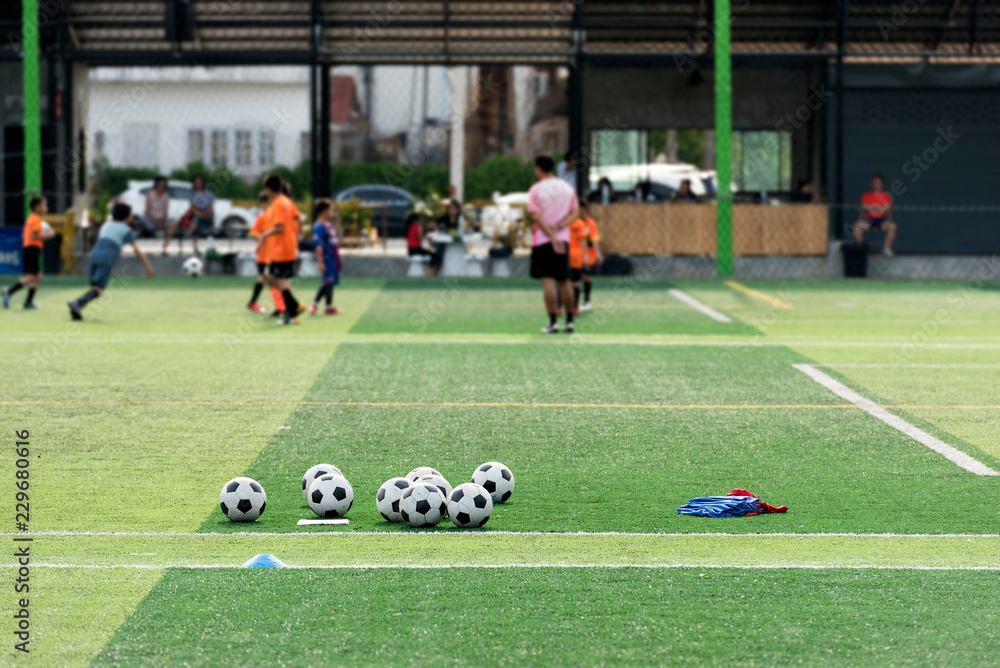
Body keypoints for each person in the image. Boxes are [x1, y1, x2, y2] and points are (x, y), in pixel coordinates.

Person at [67, 202, 153, 321]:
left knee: (95, 288)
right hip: (106, 259)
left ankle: (77, 309)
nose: (132, 217)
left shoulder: (106, 225)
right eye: (131, 214)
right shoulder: (125, 229)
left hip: (94, 256)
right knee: (99, 289)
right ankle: (77, 303)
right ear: (127, 216)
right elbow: (136, 249)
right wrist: (148, 267)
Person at [527, 155, 579, 334]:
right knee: (564, 281)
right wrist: (559, 228)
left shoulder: (536, 189)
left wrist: (551, 235)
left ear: (539, 169)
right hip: (563, 239)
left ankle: (553, 322)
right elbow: (575, 212)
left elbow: (536, 215)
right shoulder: (567, 188)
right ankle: (570, 321)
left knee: (547, 280)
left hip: (543, 240)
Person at [256, 174, 303, 325]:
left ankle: (292, 315)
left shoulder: (278, 203)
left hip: (282, 248)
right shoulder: (287, 201)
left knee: (280, 281)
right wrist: (294, 236)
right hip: (285, 247)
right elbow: (299, 219)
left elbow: (280, 227)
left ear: (269, 189)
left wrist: (264, 235)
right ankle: (294, 307)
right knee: (272, 277)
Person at [3, 196, 55, 310]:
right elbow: (34, 235)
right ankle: (9, 291)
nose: (47, 207)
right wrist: (49, 234)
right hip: (32, 249)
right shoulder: (35, 218)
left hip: (31, 249)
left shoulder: (33, 218)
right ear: (37, 207)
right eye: (44, 205)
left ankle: (28, 302)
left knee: (38, 276)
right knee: (32, 276)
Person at [247, 191, 286, 316]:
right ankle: (280, 307)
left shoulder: (272, 216)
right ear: (262, 204)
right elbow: (253, 233)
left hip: (271, 255)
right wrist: (260, 242)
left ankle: (279, 307)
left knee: (268, 279)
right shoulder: (263, 217)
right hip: (265, 256)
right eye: (268, 202)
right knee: (270, 279)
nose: (270, 204)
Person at [164, 175, 214, 255]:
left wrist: (201, 214)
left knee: (197, 219)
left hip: (204, 216)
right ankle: (165, 247)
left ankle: (189, 233)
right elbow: (192, 207)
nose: (198, 183)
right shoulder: (193, 193)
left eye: (199, 181)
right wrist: (196, 212)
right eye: (196, 182)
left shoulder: (208, 193)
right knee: (174, 223)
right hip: (194, 214)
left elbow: (210, 209)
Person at [309, 199, 342, 315]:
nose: (332, 213)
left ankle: (329, 306)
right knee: (327, 281)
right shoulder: (319, 227)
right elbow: (318, 246)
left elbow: (334, 244)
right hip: (327, 260)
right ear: (324, 212)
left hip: (333, 260)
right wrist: (320, 262)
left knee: (330, 282)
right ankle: (314, 305)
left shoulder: (329, 226)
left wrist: (338, 258)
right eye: (331, 210)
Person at [853, 174, 897, 258]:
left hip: (882, 220)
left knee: (892, 226)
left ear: (882, 184)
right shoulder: (866, 196)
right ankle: (861, 250)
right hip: (869, 220)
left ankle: (886, 250)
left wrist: (872, 208)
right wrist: (878, 208)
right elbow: (864, 206)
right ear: (871, 184)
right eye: (874, 182)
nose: (876, 184)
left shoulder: (886, 196)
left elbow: (886, 208)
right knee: (857, 226)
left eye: (878, 182)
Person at [579, 200, 603, 312]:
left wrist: (598, 253)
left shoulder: (590, 223)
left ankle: (586, 301)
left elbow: (594, 239)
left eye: (585, 210)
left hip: (588, 254)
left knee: (586, 277)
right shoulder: (572, 222)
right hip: (573, 253)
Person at [434, 200, 466, 271]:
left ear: (457, 210)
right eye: (449, 208)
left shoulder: (461, 218)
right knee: (439, 253)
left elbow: (462, 232)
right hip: (443, 243)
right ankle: (438, 270)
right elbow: (433, 225)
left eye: (453, 208)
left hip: (457, 242)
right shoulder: (444, 218)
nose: (451, 210)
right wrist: (435, 227)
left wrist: (450, 231)